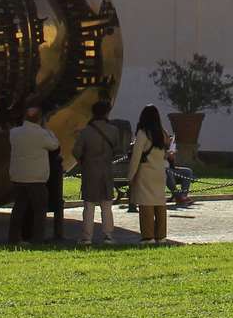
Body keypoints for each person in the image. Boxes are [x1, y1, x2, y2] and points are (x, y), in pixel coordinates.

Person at [72, 101, 125, 245]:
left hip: (90, 171)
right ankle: (108, 235)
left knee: (89, 206)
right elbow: (118, 150)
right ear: (107, 113)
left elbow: (76, 152)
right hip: (106, 170)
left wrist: (84, 161)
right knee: (106, 205)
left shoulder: (86, 131)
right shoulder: (113, 130)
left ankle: (86, 237)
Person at [7, 103, 58, 245]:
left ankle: (14, 238)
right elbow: (54, 145)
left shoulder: (14, 133)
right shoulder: (41, 134)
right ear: (40, 119)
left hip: (19, 176)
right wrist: (46, 128)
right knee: (39, 210)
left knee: (18, 208)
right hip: (37, 178)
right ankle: (37, 238)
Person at [127, 105, 173, 245]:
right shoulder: (163, 133)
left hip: (146, 172)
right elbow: (166, 153)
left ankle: (148, 236)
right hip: (160, 172)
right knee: (160, 204)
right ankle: (161, 235)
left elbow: (136, 157)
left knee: (146, 204)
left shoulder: (143, 133)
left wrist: (130, 176)